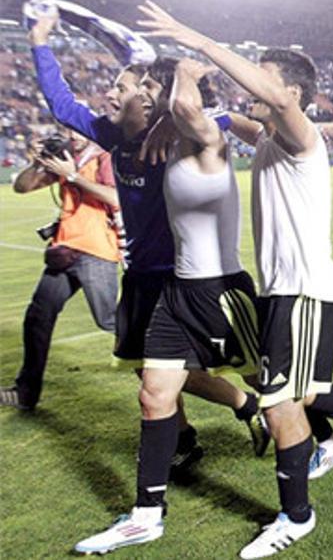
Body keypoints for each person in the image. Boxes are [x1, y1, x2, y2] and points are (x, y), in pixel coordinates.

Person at [129, 2, 333, 557]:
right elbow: (228, 121)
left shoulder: (304, 138)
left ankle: (296, 517)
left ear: (294, 96)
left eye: (264, 76)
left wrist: (198, 41)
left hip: (304, 289)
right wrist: (171, 116)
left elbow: (274, 102)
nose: (251, 84)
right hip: (282, 290)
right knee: (301, 393)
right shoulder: (270, 139)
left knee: (282, 403)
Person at [21, 12, 263, 477]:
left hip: (183, 276)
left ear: (150, 103)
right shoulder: (113, 137)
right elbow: (61, 104)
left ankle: (290, 416)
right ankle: (186, 438)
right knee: (143, 367)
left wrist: (178, 120)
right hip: (139, 274)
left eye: (122, 88)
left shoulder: (178, 138)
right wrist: (39, 42)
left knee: (233, 363)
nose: (110, 94)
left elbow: (217, 118)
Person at [74, 56, 269, 556]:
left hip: (222, 286)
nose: (138, 97)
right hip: (175, 290)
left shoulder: (203, 131)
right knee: (153, 393)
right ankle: (147, 514)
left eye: (144, 89)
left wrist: (184, 75)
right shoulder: (154, 137)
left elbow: (198, 111)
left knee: (276, 386)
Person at [2, 128, 120, 410]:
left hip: (97, 252)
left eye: (76, 128)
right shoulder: (65, 158)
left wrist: (73, 175)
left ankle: (173, 352)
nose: (72, 134)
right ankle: (26, 393)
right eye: (66, 128)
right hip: (65, 251)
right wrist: (39, 163)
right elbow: (22, 186)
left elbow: (116, 198)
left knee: (108, 320)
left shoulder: (103, 156)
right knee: (37, 316)